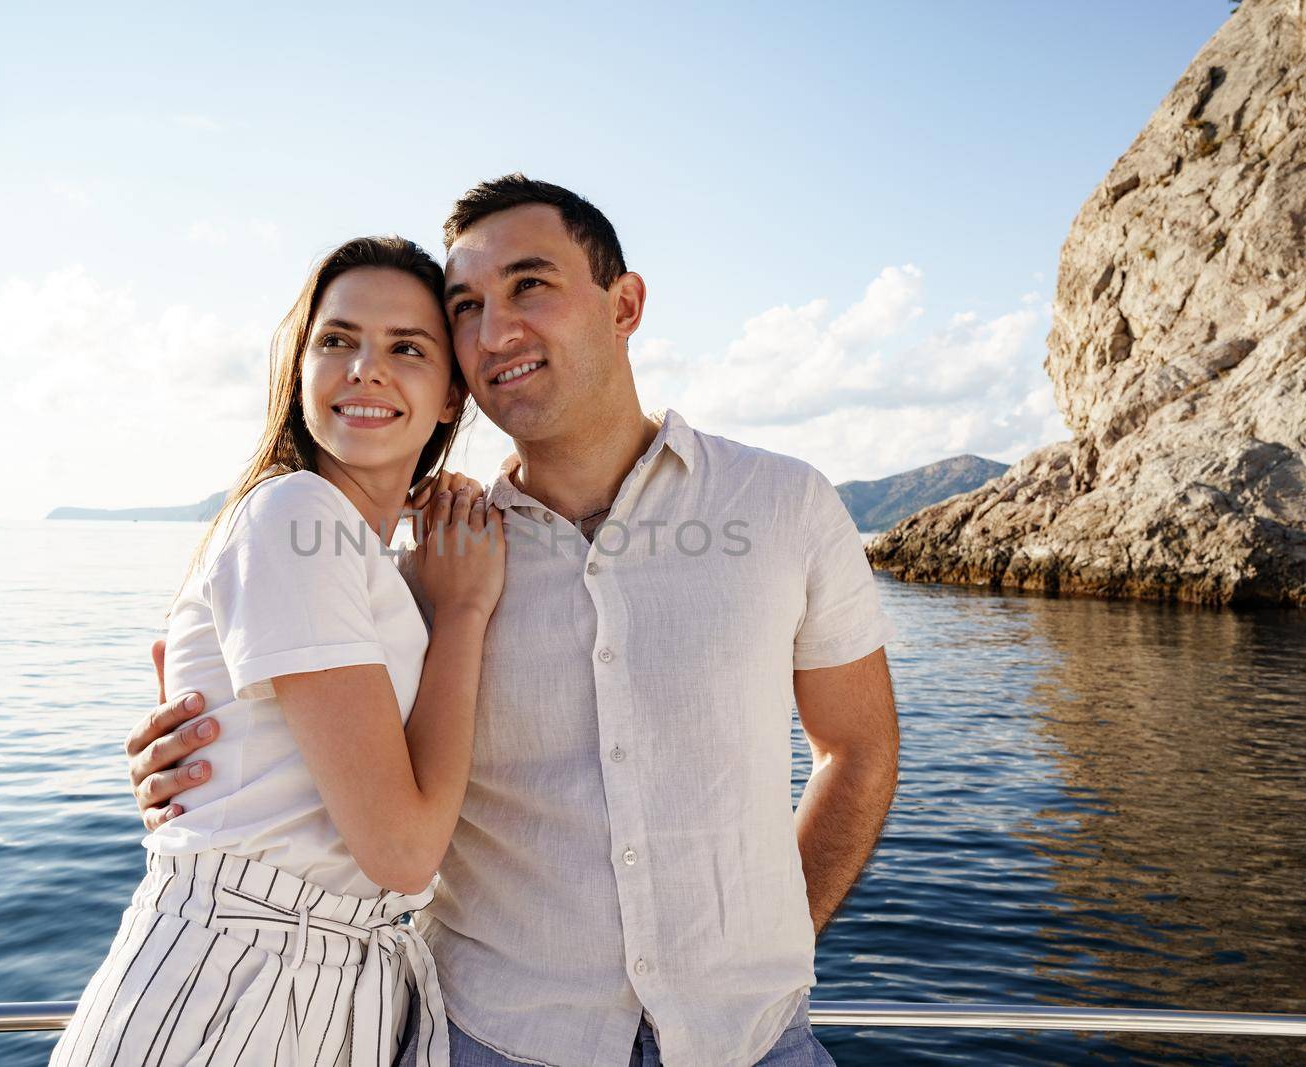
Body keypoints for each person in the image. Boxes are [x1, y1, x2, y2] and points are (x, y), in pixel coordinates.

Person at [131, 177, 900, 1066]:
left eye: (530, 285)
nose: (497, 331)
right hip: (490, 1040)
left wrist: (768, 942)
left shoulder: (783, 504)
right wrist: (190, 768)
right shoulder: (429, 562)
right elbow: (297, 724)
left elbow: (858, 745)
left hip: (754, 1040)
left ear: (626, 303)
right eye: (467, 306)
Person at [53, 235, 506, 1067]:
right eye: (337, 340)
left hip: (323, 981)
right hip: (235, 980)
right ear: (299, 367)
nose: (365, 367)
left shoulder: (362, 553)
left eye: (406, 347)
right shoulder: (296, 515)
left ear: (451, 395)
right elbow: (402, 851)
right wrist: (468, 608)